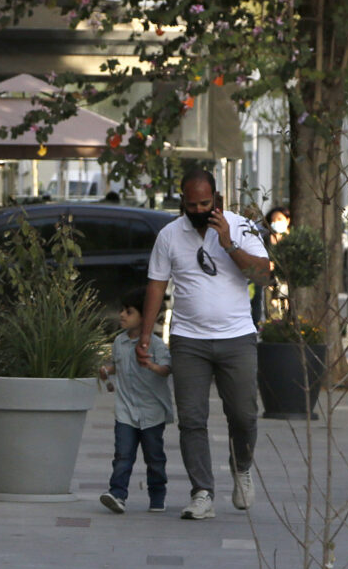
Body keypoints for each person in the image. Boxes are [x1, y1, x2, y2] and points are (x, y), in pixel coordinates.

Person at [140, 168, 273, 520]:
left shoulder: (240, 227)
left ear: (217, 200)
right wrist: (145, 335)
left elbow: (263, 275)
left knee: (244, 415)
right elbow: (156, 285)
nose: (198, 209)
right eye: (191, 203)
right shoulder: (169, 235)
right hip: (188, 340)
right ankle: (202, 492)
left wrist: (228, 242)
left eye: (205, 203)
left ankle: (241, 468)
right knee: (192, 420)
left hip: (237, 337)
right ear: (181, 201)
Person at [99, 287, 175, 514]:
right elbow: (118, 364)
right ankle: (117, 494)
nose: (122, 315)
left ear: (145, 317)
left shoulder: (156, 344)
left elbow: (167, 369)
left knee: (154, 457)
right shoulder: (119, 342)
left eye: (129, 311)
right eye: (122, 310)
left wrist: (152, 366)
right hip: (125, 410)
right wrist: (107, 370)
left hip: (151, 412)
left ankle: (157, 495)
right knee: (123, 454)